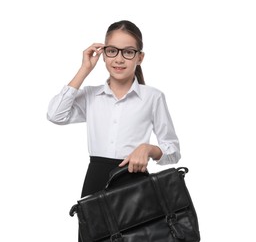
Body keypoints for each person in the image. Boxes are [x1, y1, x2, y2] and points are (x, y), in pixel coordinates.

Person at [47, 20, 181, 241]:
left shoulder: (153, 97)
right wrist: (84, 69)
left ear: (140, 57)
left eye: (128, 52)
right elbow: (55, 115)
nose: (119, 59)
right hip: (95, 182)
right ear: (104, 54)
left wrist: (149, 149)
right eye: (112, 51)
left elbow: (173, 150)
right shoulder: (91, 96)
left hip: (135, 184)